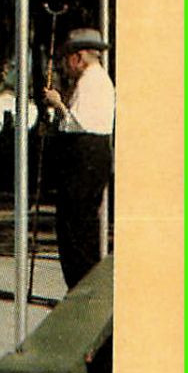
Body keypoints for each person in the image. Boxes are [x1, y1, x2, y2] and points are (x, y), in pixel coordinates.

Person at [41, 28, 115, 290]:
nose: (66, 66)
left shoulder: (92, 82)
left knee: (76, 227)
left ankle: (82, 289)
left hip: (86, 153)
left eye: (68, 59)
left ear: (79, 57)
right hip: (89, 153)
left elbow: (77, 123)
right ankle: (81, 288)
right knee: (77, 224)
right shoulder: (94, 80)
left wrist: (58, 104)